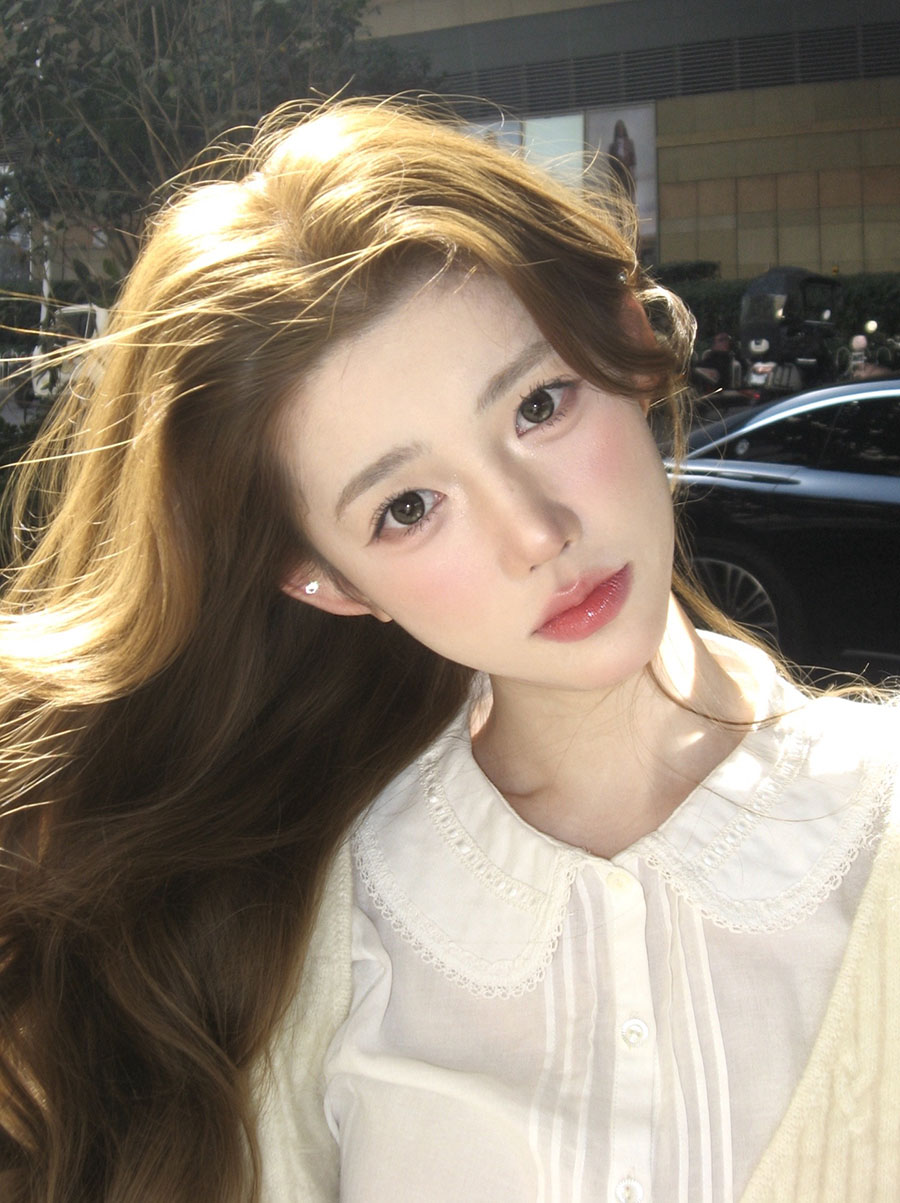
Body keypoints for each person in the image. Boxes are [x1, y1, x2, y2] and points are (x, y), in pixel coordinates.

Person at [0, 100, 897, 1203]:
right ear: (327, 581)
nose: (536, 534)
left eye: (538, 405)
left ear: (625, 343)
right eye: (409, 506)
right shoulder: (303, 934)